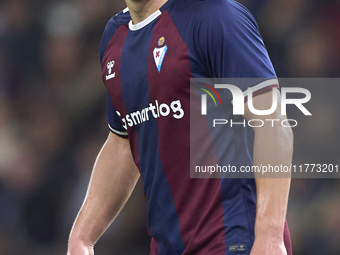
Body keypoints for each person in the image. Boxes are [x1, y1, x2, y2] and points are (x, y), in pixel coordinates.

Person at [67, 0, 293, 254]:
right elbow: (123, 142)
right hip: (169, 245)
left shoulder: (215, 15)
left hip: (234, 237)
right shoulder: (114, 36)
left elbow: (273, 122)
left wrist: (270, 236)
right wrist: (82, 236)